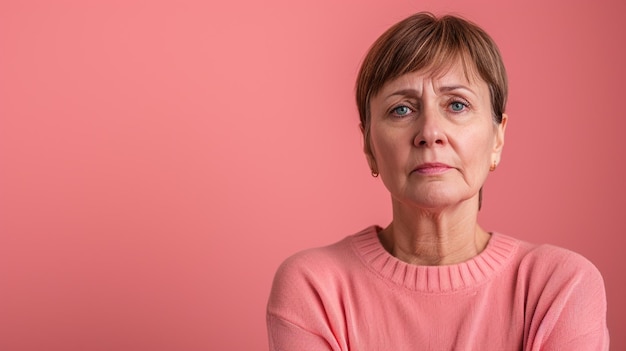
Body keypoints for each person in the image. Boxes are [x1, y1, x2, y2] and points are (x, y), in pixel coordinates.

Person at [266, 12, 609, 350]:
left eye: (457, 105)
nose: (430, 133)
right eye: (402, 109)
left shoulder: (560, 286)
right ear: (369, 145)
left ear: (498, 139)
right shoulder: (315, 288)